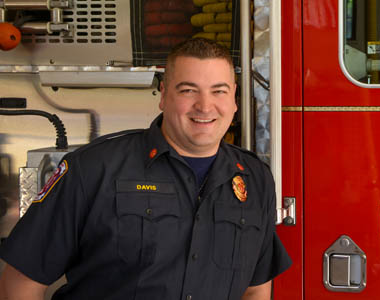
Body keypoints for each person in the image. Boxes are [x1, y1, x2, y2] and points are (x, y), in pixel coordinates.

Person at [0, 38, 291, 299]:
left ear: (234, 99)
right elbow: (20, 284)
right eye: (189, 90)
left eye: (219, 91)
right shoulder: (94, 168)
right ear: (164, 95)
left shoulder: (255, 180)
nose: (205, 106)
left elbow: (255, 290)